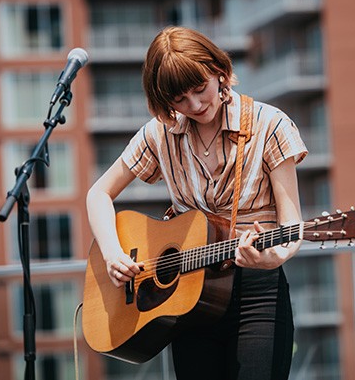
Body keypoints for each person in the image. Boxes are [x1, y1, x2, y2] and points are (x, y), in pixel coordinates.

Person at [86, 26, 307, 380]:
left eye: (200, 89)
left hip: (256, 293)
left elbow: (292, 226)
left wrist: (272, 258)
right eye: (179, 100)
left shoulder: (271, 124)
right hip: (189, 296)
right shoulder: (160, 133)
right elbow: (98, 194)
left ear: (219, 71)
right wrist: (113, 255)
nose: (195, 105)